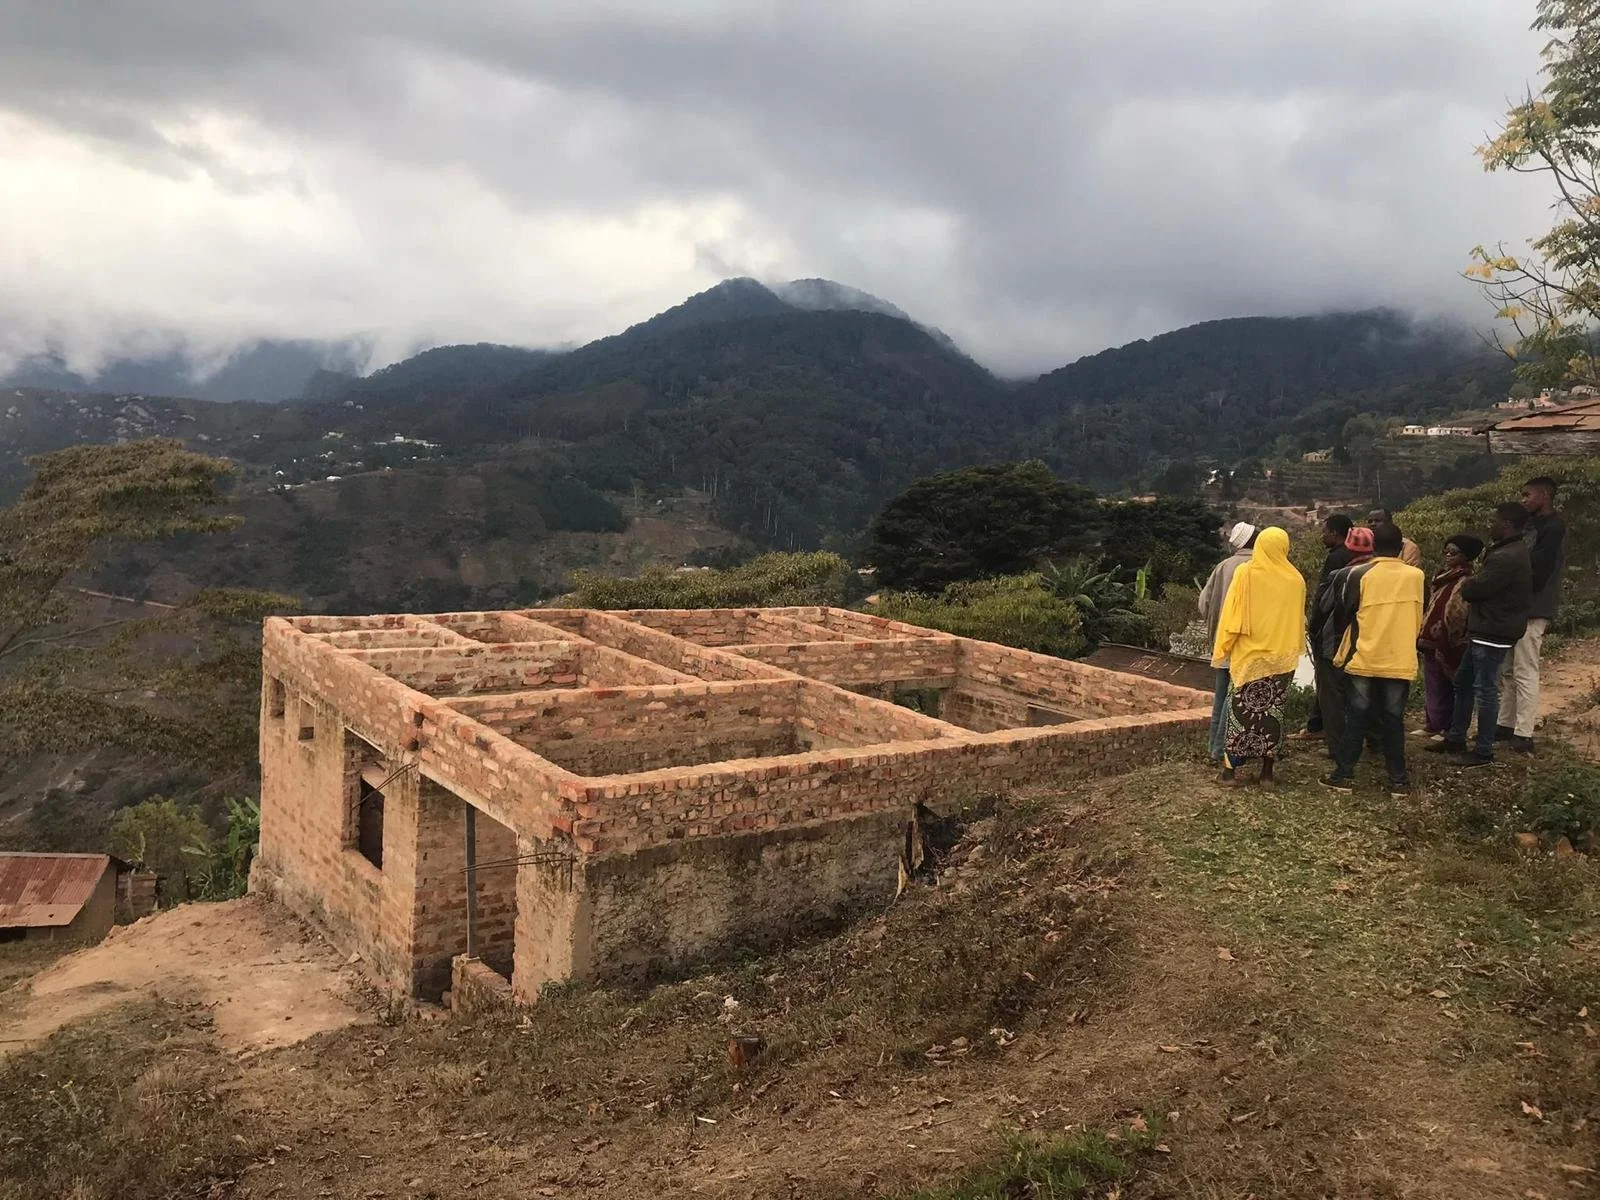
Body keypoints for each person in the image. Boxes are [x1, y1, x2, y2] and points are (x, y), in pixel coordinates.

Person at [1320, 523, 1426, 796]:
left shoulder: (1359, 574)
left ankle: (1343, 775)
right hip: (1400, 658)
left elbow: (1344, 612)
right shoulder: (1416, 576)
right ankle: (1399, 781)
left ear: (1374, 546)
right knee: (1393, 719)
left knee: (1357, 716)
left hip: (1364, 655)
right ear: (1401, 547)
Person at [1430, 503, 1532, 766]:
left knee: (1485, 690)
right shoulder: (1507, 551)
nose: (1490, 525)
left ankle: (1483, 751)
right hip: (1487, 628)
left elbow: (1474, 590)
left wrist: (1472, 585)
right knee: (1463, 682)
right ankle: (1456, 737)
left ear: (1507, 524)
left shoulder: (1505, 557)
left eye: (1494, 521)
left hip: (1492, 630)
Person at [1213, 527, 1306, 788]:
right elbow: (1298, 620)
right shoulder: (1296, 579)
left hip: (1250, 657)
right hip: (1281, 660)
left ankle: (1229, 774)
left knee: (1239, 714)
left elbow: (1233, 614)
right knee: (1273, 716)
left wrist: (1225, 645)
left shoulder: (1247, 573)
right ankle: (1267, 774)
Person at [1497, 476, 1567, 753]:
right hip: (1517, 607)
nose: (1524, 499)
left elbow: (1539, 571)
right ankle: (1505, 724)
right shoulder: (1531, 525)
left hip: (1533, 607)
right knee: (1509, 670)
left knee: (1526, 669)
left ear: (1545, 494)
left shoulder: (1554, 527)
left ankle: (1524, 732)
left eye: (1529, 494)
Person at [1311, 525, 1374, 756]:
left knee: (1332, 697)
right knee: (1367, 693)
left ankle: (1338, 748)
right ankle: (1375, 741)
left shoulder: (1341, 575)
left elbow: (1323, 607)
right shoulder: (1381, 574)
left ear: (1348, 545)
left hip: (1334, 642)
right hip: (1369, 644)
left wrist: (1314, 633)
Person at [1292, 514, 1355, 741]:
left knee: (1329, 686)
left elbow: (1325, 600)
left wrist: (1315, 627)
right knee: (1330, 684)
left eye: (1325, 531)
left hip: (1330, 632)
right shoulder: (1354, 558)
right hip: (1345, 633)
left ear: (1336, 533)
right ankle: (1316, 725)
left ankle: (1334, 739)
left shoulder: (1337, 559)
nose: (1322, 535)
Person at [1199, 522, 1258, 761]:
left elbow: (1203, 603)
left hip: (1221, 642)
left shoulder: (1222, 567)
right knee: (1236, 697)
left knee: (1221, 695)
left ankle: (1213, 746)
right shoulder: (1259, 567)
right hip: (1245, 644)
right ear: (1252, 540)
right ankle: (1221, 749)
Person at [1416, 533, 1483, 738]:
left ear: (1465, 556)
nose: (1447, 556)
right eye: (1445, 551)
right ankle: (1433, 723)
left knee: (1450, 684)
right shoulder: (1442, 577)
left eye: (1453, 552)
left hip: (1453, 642)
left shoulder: (1467, 580)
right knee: (1432, 683)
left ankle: (1448, 727)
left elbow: (1459, 612)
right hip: (1432, 640)